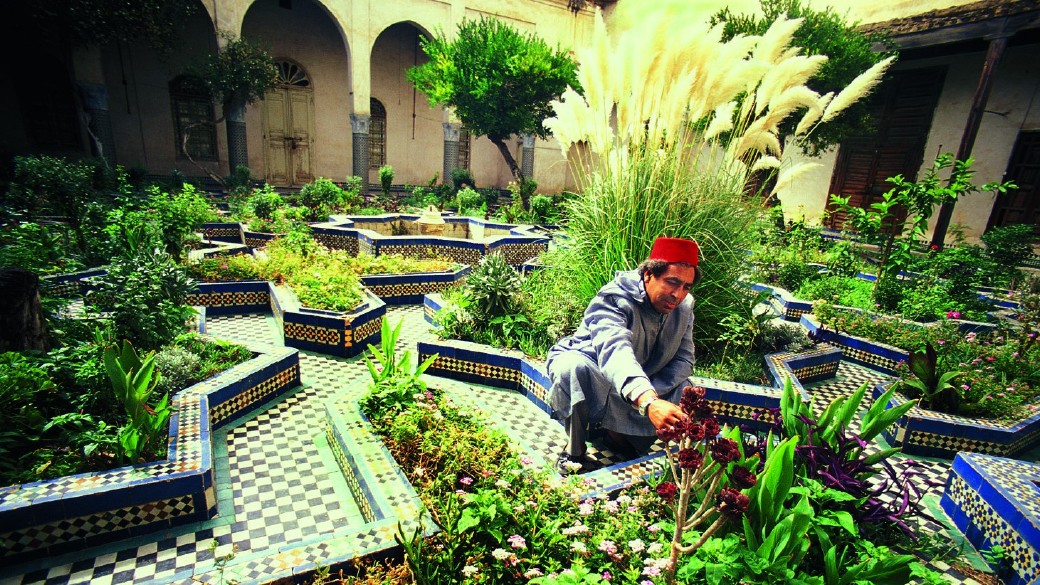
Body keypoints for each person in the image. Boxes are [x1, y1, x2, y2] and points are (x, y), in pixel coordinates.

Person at [546, 236, 700, 474]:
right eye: (672, 282)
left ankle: (619, 436)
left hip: (644, 384)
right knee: (572, 367)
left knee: (687, 388)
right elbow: (615, 352)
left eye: (686, 287)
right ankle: (574, 452)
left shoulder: (684, 306)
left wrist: (652, 394)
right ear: (648, 274)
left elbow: (684, 359)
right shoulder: (614, 298)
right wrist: (648, 401)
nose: (677, 295)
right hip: (600, 372)